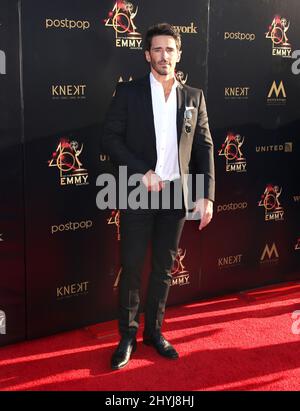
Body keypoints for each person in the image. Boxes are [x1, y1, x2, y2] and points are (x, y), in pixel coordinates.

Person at [101, 23, 215, 370]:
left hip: (176, 197)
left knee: (164, 269)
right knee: (133, 267)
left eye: (170, 49)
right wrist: (141, 171)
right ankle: (127, 337)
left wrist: (207, 195)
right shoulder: (129, 93)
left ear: (179, 54)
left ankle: (154, 333)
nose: (164, 55)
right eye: (158, 49)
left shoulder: (193, 97)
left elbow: (204, 146)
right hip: (139, 192)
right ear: (147, 54)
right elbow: (109, 140)